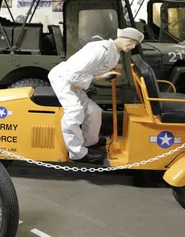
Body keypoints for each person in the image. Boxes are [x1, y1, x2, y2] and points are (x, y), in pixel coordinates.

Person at [48, 27, 144, 164]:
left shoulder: (113, 50)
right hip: (64, 79)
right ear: (122, 38)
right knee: (75, 111)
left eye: (135, 44)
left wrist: (112, 68)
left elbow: (93, 67)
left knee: (94, 110)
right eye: (131, 42)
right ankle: (77, 153)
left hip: (76, 81)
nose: (132, 46)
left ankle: (90, 141)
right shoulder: (101, 50)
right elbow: (75, 74)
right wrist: (100, 77)